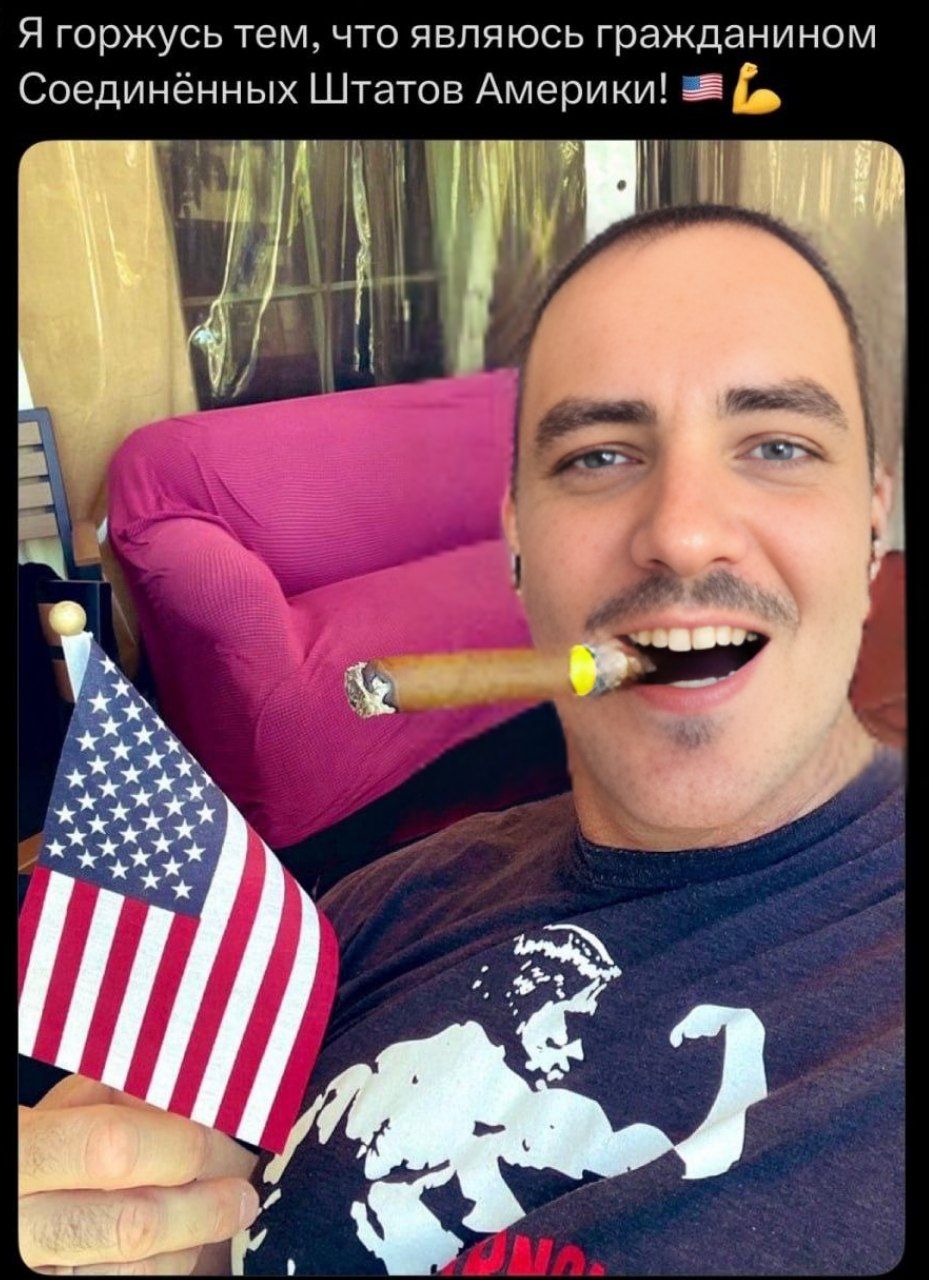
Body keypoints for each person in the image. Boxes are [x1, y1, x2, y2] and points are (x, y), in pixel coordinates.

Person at [18, 204, 904, 1276]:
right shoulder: (375, 909)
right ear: (518, 544)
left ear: (871, 520)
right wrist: (137, 1230)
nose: (681, 531)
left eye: (776, 445)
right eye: (599, 454)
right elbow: (226, 1220)